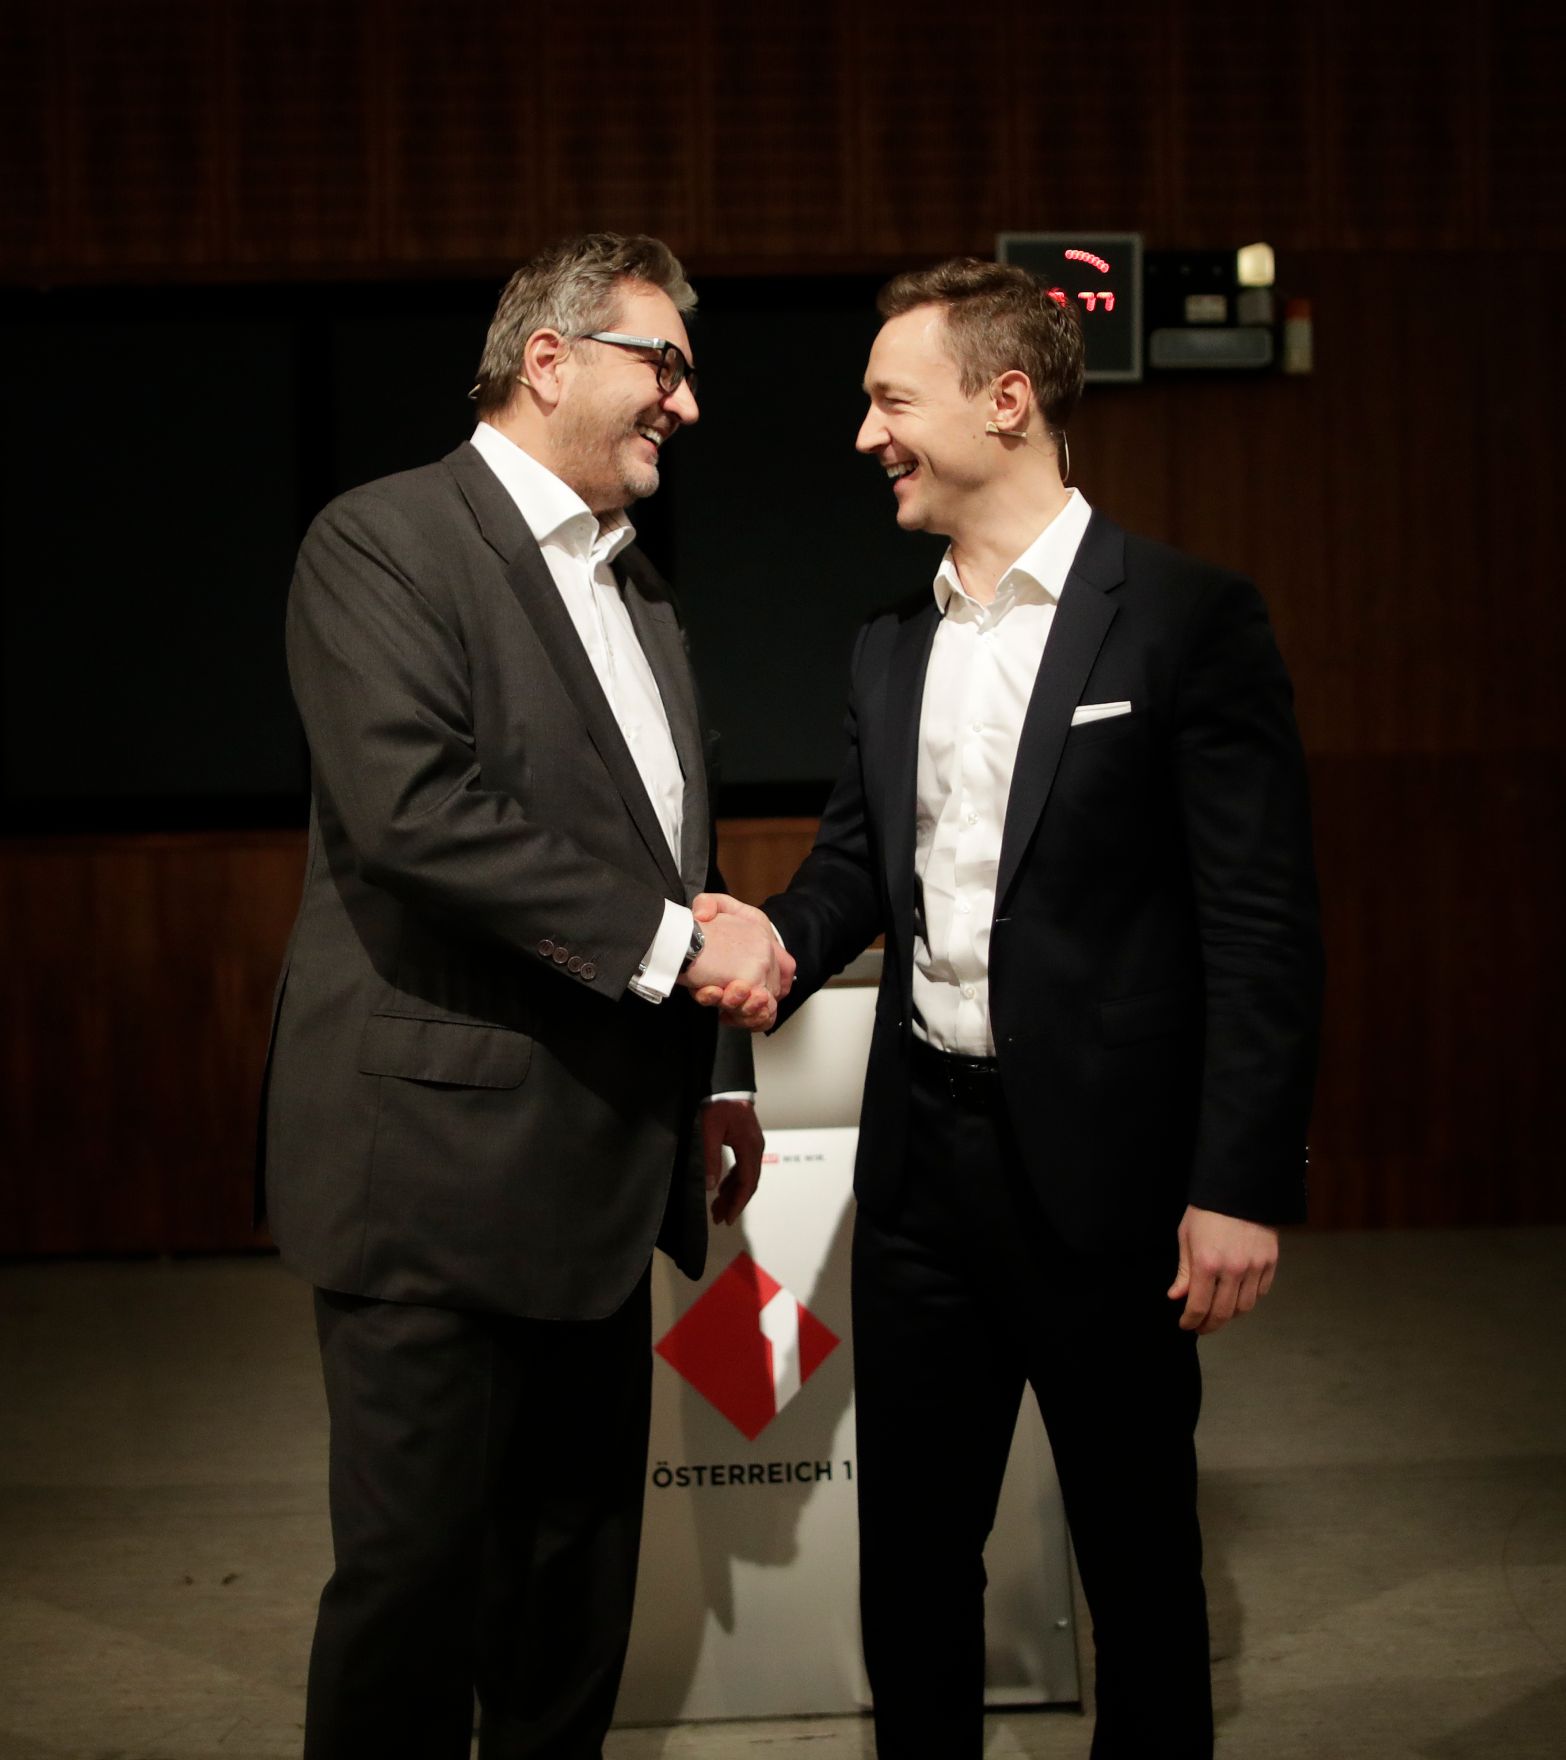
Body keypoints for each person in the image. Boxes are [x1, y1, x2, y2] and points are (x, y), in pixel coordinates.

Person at [693, 259, 1324, 1758]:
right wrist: (776, 936)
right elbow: (857, 868)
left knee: (1137, 1567)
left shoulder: (1183, 621)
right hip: (920, 1181)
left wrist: (1236, 1182)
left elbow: (1259, 927)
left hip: (1108, 1186)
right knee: (910, 1561)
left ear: (1007, 400)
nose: (864, 436)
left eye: (887, 401)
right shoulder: (884, 641)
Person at [257, 232, 791, 1760]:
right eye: (662, 362)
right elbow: (410, 813)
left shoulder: (642, 595)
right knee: (417, 1594)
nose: (685, 404)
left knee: (568, 1595)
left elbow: (662, 857)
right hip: (430, 1177)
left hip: (603, 1170)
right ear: (546, 359)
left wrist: (715, 1079)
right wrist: (682, 952)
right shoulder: (383, 542)